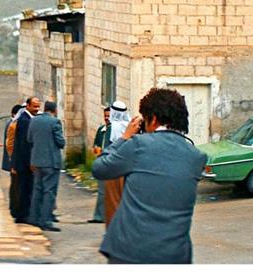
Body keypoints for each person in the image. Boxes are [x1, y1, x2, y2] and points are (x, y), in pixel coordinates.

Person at [92, 87, 207, 264]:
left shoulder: (138, 145)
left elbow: (100, 169)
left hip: (129, 251)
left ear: (152, 118)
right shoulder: (197, 157)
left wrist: (124, 137)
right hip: (175, 254)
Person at [27, 100, 65, 232]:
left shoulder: (34, 121)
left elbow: (29, 139)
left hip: (37, 161)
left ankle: (34, 218)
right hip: (51, 161)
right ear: (54, 110)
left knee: (37, 189)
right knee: (49, 191)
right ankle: (46, 220)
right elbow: (60, 142)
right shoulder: (55, 122)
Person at [11, 96, 40, 223]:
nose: (37, 109)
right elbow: (25, 144)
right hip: (24, 163)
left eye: (38, 106)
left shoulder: (28, 119)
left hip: (24, 162)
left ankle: (24, 213)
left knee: (26, 188)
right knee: (24, 189)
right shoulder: (25, 121)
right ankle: (22, 215)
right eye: (34, 106)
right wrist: (31, 162)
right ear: (27, 106)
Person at [104, 100, 130, 226]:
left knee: (113, 200)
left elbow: (107, 148)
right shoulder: (130, 126)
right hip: (128, 168)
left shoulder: (111, 127)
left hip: (114, 169)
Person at [1, 103, 25, 219]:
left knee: (15, 184)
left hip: (13, 161)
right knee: (16, 185)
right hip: (13, 161)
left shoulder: (12, 123)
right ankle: (15, 208)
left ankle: (14, 206)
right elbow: (10, 144)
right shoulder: (12, 124)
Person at [88, 106, 111, 224]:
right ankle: (99, 215)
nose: (106, 118)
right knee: (102, 190)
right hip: (101, 161)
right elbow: (96, 144)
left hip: (111, 162)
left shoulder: (114, 130)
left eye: (109, 116)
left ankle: (104, 215)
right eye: (105, 116)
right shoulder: (101, 130)